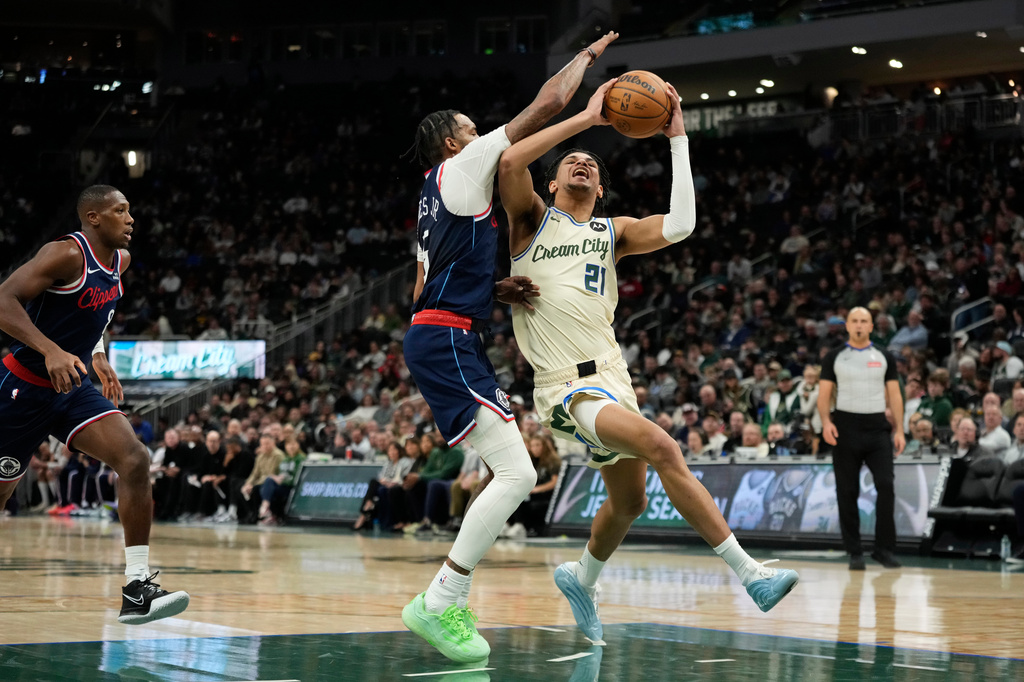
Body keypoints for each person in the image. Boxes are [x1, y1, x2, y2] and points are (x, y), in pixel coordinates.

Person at [497, 78, 798, 646]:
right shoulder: (532, 221)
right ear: (554, 179)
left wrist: (677, 136)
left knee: (630, 500)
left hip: (613, 377)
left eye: (591, 164)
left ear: (603, 190)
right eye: (571, 162)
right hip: (566, 388)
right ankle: (751, 574)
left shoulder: (614, 232)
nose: (581, 163)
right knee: (664, 447)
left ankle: (580, 577)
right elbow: (511, 160)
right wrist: (586, 120)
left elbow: (681, 224)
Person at [399, 31, 620, 664]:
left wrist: (491, 289)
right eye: (473, 129)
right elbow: (542, 108)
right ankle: (442, 599)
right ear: (454, 141)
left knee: (515, 470)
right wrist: (587, 90)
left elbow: (428, 277)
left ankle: (445, 596)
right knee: (519, 473)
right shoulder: (464, 164)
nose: (483, 135)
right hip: (447, 338)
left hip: (445, 331)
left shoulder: (432, 192)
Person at [0, 185, 189, 624]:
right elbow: (3, 300)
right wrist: (49, 349)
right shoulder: (65, 254)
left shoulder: (120, 262)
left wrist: (98, 355)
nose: (130, 218)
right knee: (3, 491)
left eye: (130, 211)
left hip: (73, 386)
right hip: (23, 388)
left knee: (135, 458)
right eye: (120, 211)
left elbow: (93, 316)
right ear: (93, 218)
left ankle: (138, 588)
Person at [818, 307, 905, 571]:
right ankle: (854, 551)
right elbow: (824, 395)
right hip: (845, 427)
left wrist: (899, 429)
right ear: (847, 326)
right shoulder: (834, 357)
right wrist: (825, 422)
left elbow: (895, 394)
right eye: (854, 321)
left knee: (885, 485)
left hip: (877, 428)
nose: (858, 325)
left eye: (863, 321)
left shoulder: (884, 355)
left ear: (871, 326)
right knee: (847, 491)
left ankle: (884, 549)